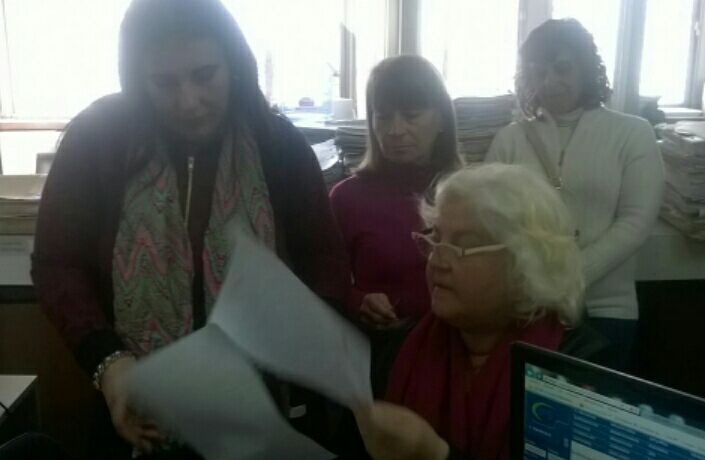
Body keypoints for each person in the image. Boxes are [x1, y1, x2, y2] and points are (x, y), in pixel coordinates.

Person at [31, 0, 349, 458]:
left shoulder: (277, 145)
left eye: (205, 75)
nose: (188, 102)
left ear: (233, 65)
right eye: (164, 83)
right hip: (138, 412)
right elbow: (57, 264)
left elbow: (326, 261)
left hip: (259, 413)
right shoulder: (98, 141)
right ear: (137, 78)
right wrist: (109, 362)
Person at [333, 163, 609, 460]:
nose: (437, 261)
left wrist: (433, 454)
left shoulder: (580, 369)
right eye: (435, 239)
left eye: (464, 246)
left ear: (527, 266)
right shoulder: (395, 350)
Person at [486, 18, 665, 371]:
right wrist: (534, 288)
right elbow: (491, 219)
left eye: (562, 68)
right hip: (528, 308)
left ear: (586, 68)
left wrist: (567, 278)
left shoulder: (633, 133)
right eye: (538, 72)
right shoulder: (510, 139)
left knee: (593, 406)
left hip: (606, 311)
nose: (549, 81)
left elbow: (636, 222)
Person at [329, 55, 461, 330]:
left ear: (441, 120)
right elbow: (324, 281)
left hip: (458, 344)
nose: (395, 130)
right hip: (378, 344)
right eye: (383, 116)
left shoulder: (468, 194)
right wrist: (357, 301)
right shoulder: (347, 198)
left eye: (411, 116)